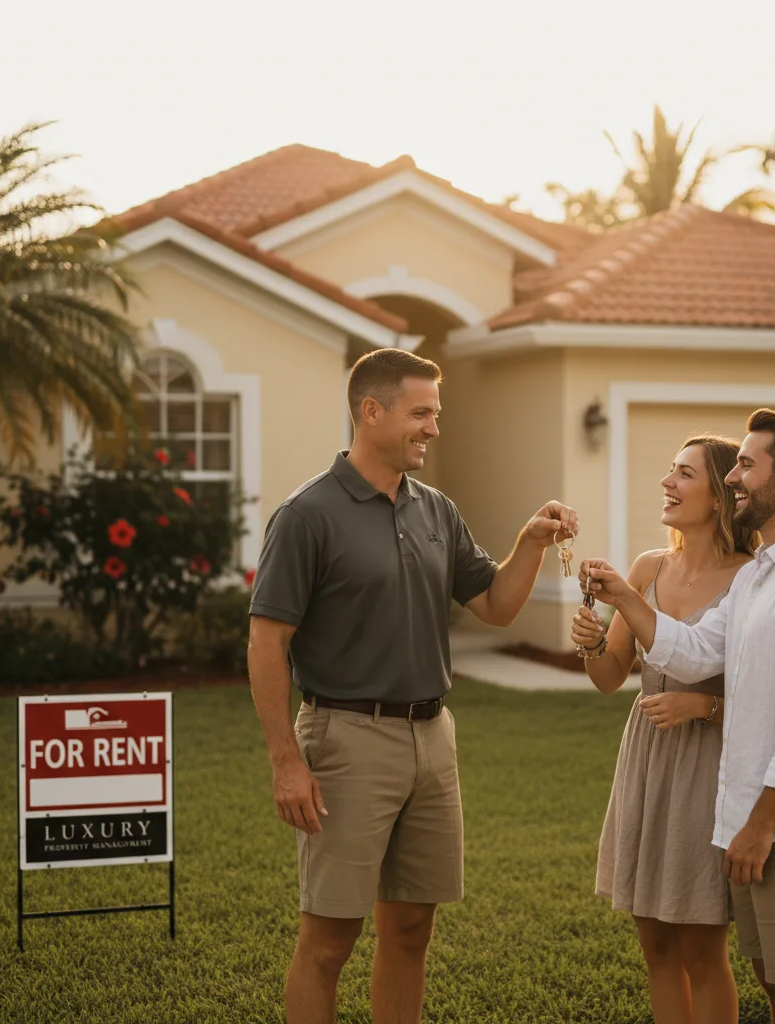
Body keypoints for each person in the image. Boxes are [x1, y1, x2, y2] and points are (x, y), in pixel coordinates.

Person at [247, 347, 578, 1024]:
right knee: (330, 939)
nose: (434, 428)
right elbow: (266, 642)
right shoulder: (308, 515)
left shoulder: (436, 510)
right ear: (372, 412)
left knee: (411, 929)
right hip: (346, 740)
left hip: (433, 738)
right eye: (421, 413)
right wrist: (287, 761)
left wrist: (530, 542)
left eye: (436, 413)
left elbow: (493, 604)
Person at [579, 409, 775, 1024]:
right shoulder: (763, 577)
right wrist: (625, 597)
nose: (735, 476)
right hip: (755, 820)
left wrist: (760, 824)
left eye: (745, 464)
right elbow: (691, 651)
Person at [571, 434, 756, 1024]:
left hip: (710, 766)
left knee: (701, 945)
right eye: (669, 470)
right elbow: (608, 678)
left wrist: (702, 709)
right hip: (647, 758)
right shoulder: (650, 567)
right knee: (654, 942)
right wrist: (593, 642)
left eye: (683, 474)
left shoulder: (751, 580)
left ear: (721, 495)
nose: (667, 483)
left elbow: (765, 696)